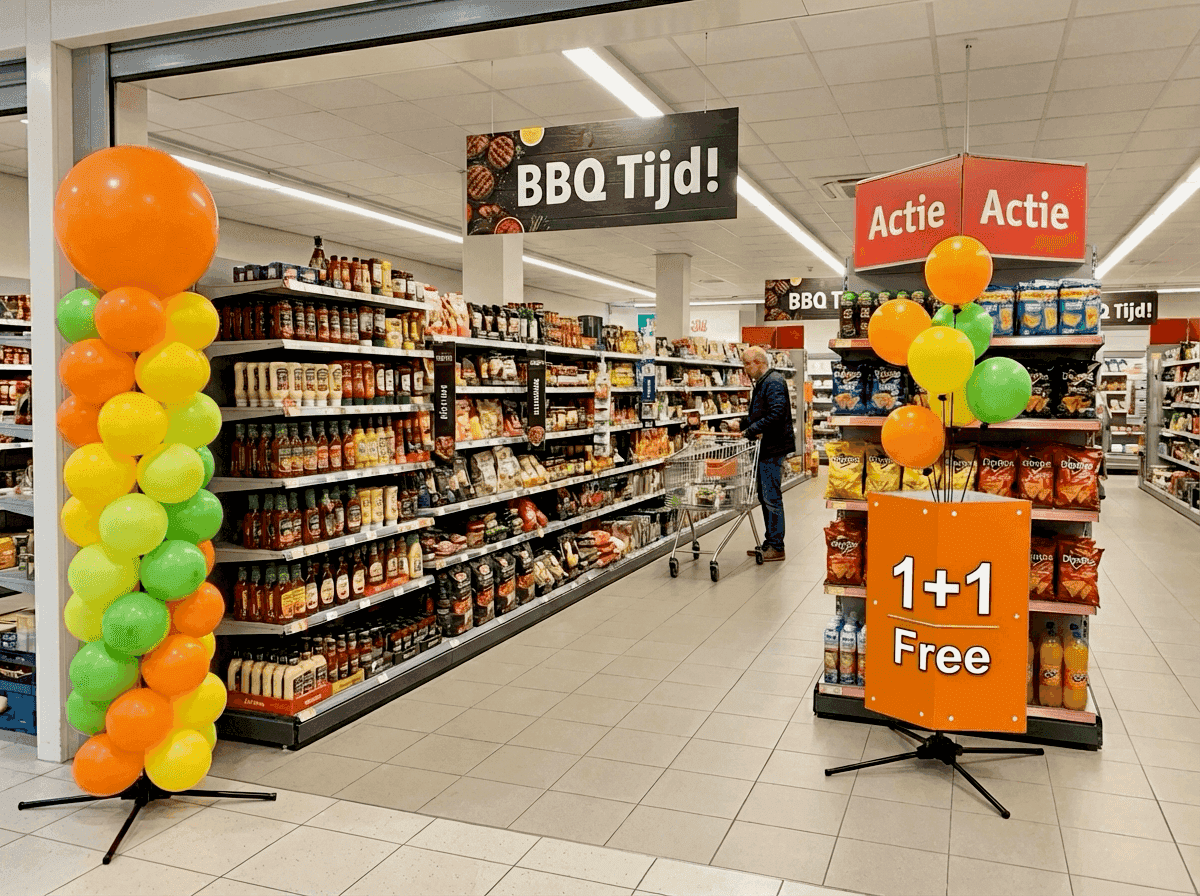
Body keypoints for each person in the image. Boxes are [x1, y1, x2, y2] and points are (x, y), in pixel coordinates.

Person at [735, 345, 795, 562]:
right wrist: (741, 424)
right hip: (766, 448)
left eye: (746, 364)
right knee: (765, 496)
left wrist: (751, 430)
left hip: (773, 448)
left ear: (758, 363)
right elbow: (762, 413)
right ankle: (770, 542)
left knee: (771, 498)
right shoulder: (764, 382)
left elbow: (777, 414)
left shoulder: (773, 381)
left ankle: (777, 546)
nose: (744, 369)